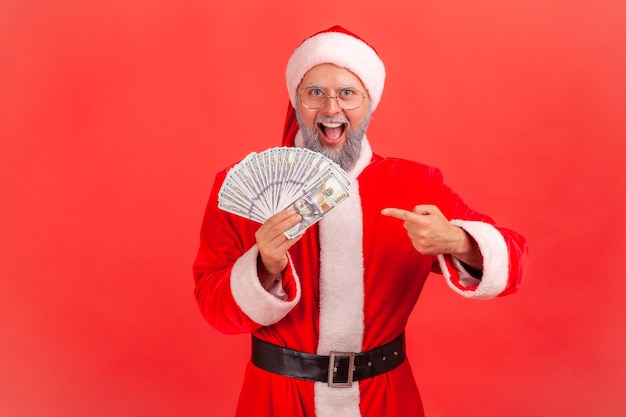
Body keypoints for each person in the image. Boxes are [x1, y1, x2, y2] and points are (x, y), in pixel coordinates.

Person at [193, 26, 528, 417]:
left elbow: (514, 262)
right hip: (277, 400)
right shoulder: (237, 186)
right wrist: (264, 266)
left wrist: (458, 241)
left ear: (369, 103)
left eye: (347, 93)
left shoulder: (417, 185)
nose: (332, 109)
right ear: (296, 102)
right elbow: (212, 307)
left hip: (386, 399)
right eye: (315, 92)